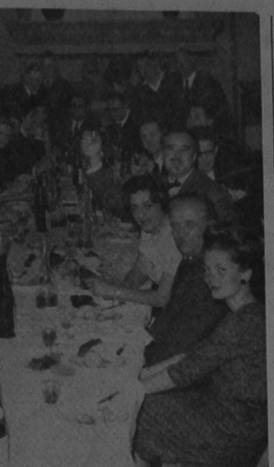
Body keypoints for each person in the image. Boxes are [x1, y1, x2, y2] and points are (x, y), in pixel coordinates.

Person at [134, 226, 266, 467]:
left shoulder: (244, 322)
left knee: (142, 411)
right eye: (207, 269)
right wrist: (138, 376)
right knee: (147, 401)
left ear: (245, 274)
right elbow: (193, 356)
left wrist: (129, 392)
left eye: (221, 269)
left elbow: (183, 372)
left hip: (233, 435)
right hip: (224, 411)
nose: (210, 277)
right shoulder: (245, 311)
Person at [143, 194, 228, 366]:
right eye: (175, 225)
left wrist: (142, 359)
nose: (180, 234)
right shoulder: (190, 261)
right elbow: (170, 317)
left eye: (190, 225)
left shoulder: (211, 277)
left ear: (210, 226)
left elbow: (184, 347)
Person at [88, 175, 180, 308]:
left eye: (147, 206)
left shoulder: (175, 236)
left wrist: (114, 291)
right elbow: (140, 270)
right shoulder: (150, 227)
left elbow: (162, 298)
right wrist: (118, 286)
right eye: (135, 208)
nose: (141, 215)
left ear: (162, 204)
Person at [162, 129, 236, 223]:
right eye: (170, 148)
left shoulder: (214, 193)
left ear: (194, 156)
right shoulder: (154, 183)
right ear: (163, 153)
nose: (177, 155)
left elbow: (226, 228)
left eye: (184, 149)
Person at [79, 127, 126, 218]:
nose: (86, 142)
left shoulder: (114, 174)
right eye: (83, 139)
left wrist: (94, 157)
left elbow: (113, 204)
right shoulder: (95, 170)